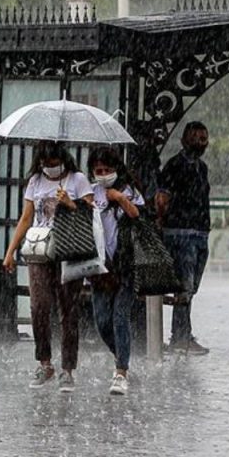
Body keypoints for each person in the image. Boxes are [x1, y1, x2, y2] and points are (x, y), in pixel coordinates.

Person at [2, 141, 94, 393]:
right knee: (39, 306)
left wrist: (70, 204)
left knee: (68, 310)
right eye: (45, 164)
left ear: (62, 159)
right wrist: (11, 251)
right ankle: (45, 362)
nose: (49, 168)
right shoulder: (35, 182)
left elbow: (91, 213)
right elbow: (26, 217)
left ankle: (67, 368)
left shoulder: (78, 180)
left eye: (53, 164)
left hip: (68, 250)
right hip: (40, 251)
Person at [88, 147, 143, 394]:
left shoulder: (129, 189)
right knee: (102, 320)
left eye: (107, 170)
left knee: (120, 316)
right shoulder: (90, 192)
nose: (103, 174)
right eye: (98, 171)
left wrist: (119, 197)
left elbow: (138, 215)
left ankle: (121, 371)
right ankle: (121, 355)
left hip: (126, 264)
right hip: (100, 267)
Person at [155, 121, 211, 355]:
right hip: (180, 233)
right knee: (184, 286)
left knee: (191, 286)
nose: (201, 142)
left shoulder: (202, 168)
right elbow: (162, 199)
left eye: (204, 137)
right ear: (184, 140)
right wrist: (162, 223)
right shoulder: (174, 166)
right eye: (196, 137)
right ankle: (180, 336)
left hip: (199, 233)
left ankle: (182, 333)